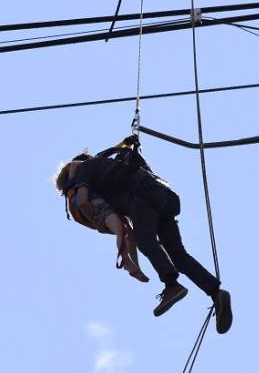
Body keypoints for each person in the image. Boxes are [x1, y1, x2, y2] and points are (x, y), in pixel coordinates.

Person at [57, 139, 232, 331]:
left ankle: (172, 285)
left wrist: (96, 222)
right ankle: (216, 292)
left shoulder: (84, 171)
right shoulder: (108, 165)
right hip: (163, 194)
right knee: (178, 256)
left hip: (143, 196)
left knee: (146, 241)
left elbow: (82, 201)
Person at [57, 153, 149, 283]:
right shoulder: (80, 174)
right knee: (121, 230)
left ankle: (136, 267)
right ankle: (127, 262)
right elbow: (75, 165)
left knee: (129, 233)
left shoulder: (82, 185)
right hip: (95, 205)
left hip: (94, 208)